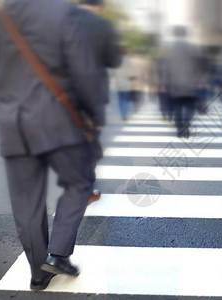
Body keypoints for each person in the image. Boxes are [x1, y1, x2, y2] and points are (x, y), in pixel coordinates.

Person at [0, 0, 107, 290]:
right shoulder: (62, 10)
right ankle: (58, 254)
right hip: (59, 119)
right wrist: (94, 116)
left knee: (25, 201)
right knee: (79, 183)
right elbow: (84, 71)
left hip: (12, 122)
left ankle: (37, 273)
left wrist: (4, 113)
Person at [79, 0, 122, 203]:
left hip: (61, 94)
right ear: (100, 6)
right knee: (90, 142)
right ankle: (85, 189)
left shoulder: (59, 22)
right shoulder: (104, 25)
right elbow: (115, 61)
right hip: (93, 94)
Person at [162, 26, 201, 139]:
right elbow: (198, 66)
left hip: (174, 82)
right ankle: (186, 124)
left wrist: (164, 82)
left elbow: (165, 67)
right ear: (185, 34)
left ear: (174, 34)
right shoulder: (193, 48)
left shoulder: (169, 48)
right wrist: (199, 81)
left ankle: (180, 129)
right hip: (191, 83)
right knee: (189, 106)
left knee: (177, 107)